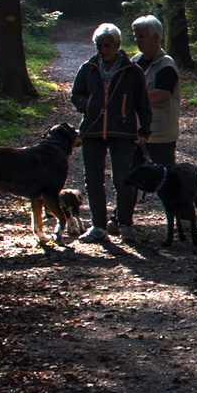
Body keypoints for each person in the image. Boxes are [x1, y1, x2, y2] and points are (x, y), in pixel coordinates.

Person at [70, 23, 152, 242]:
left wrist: (144, 131)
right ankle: (98, 226)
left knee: (124, 179)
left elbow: (142, 104)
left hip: (123, 132)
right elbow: (75, 95)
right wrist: (88, 105)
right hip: (92, 131)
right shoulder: (88, 67)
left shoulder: (133, 71)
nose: (102, 50)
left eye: (107, 45)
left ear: (117, 45)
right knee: (93, 179)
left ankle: (125, 223)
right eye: (99, 45)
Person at [130, 15, 181, 168]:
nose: (138, 40)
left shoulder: (166, 64)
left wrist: (133, 98)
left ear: (156, 37)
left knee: (165, 178)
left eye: (142, 36)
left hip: (160, 135)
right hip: (138, 131)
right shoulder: (135, 61)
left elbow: (162, 93)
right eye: (136, 36)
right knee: (134, 175)